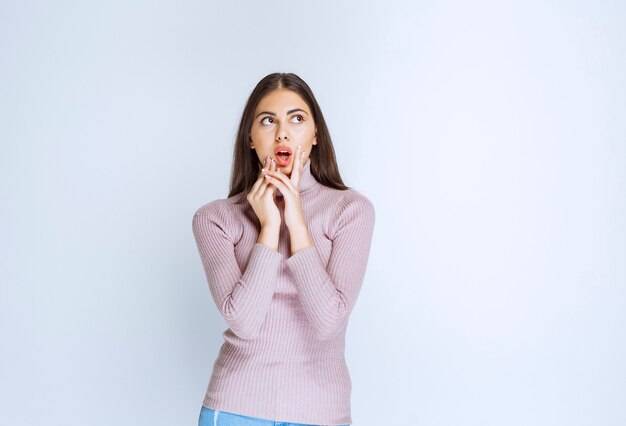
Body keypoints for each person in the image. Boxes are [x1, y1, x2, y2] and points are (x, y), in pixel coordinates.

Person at [192, 72, 375, 426]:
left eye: (296, 118)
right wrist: (270, 227)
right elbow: (243, 320)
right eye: (267, 120)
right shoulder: (215, 219)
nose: (282, 133)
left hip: (321, 413)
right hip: (234, 409)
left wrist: (297, 223)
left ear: (316, 134)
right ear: (250, 138)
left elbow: (328, 322)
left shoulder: (350, 210)